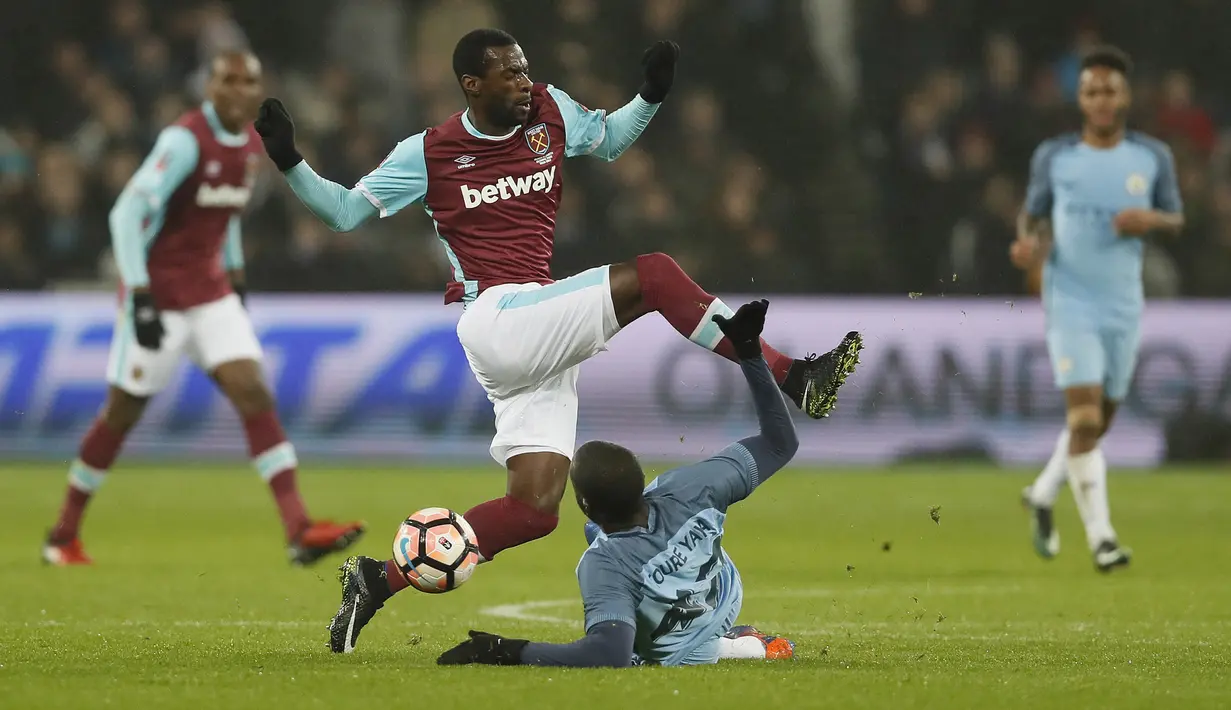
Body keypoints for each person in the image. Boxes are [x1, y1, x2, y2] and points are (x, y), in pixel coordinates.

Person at [253, 28, 863, 652]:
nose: (524, 81)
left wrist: (649, 95)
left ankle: (376, 582)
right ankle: (793, 375)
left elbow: (612, 139)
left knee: (535, 508)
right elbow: (345, 212)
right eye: (509, 74)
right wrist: (289, 161)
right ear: (472, 85)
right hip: (497, 316)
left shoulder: (549, 110)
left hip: (535, 332)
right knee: (652, 275)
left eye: (524, 68)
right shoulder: (431, 152)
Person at [42, 51, 366, 567]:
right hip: (161, 299)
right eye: (227, 80)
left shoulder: (248, 146)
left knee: (254, 393)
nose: (237, 90)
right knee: (122, 413)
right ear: (210, 87)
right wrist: (140, 294)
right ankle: (62, 536)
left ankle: (300, 529)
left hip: (210, 295)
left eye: (248, 81)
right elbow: (127, 212)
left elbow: (224, 215)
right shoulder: (185, 140)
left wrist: (235, 279)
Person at [435, 300, 827, 667]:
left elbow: (609, 652)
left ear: (585, 504)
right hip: (724, 594)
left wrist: (503, 650)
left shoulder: (603, 565)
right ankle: (724, 626)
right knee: (613, 538)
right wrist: (750, 353)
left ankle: (736, 643)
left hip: (688, 648)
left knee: (612, 560)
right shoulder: (691, 487)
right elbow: (780, 443)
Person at [1012, 45, 1183, 572]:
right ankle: (1103, 539)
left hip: (1123, 305)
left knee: (1096, 424)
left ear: (1125, 94)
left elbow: (1175, 217)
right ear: (1080, 98)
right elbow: (1032, 216)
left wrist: (1147, 221)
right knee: (1084, 416)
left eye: (1109, 89)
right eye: (1091, 91)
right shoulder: (1056, 156)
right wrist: (1028, 247)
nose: (1101, 99)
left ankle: (1044, 491)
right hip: (1070, 301)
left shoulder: (1152, 156)